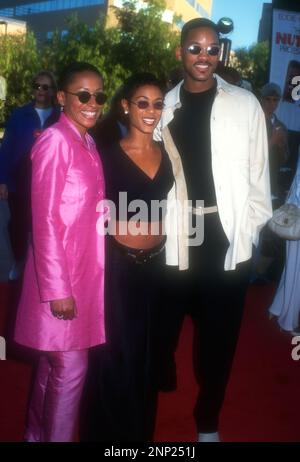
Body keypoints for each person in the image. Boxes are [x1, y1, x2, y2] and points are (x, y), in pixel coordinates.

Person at [155, 18, 272, 442]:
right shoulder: (162, 106)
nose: (203, 57)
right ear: (180, 52)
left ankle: (208, 421)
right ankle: (158, 382)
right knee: (161, 329)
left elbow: (260, 178)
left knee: (218, 343)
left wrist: (252, 231)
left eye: (211, 49)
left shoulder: (245, 104)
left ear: (220, 53)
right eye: (194, 48)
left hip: (226, 241)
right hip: (176, 240)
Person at [14, 62, 107, 442]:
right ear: (62, 97)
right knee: (71, 370)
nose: (92, 102)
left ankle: (35, 436)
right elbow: (44, 219)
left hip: (82, 275)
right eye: (83, 95)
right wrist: (58, 289)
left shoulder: (86, 140)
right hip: (60, 281)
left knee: (53, 369)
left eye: (99, 95)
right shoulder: (55, 140)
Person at [81, 73, 174, 442]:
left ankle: (138, 437)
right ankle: (104, 437)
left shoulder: (169, 152)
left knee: (149, 355)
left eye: (157, 103)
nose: (151, 111)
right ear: (125, 105)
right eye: (142, 103)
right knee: (115, 355)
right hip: (117, 267)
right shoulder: (105, 155)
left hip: (159, 269)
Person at [0, 71, 60, 279]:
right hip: (20, 180)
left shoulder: (60, 116)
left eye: (45, 87)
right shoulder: (19, 114)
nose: (40, 91)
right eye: (37, 86)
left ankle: (41, 266)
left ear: (53, 90)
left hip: (50, 183)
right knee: (17, 224)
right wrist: (3, 180)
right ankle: (18, 261)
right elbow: (6, 148)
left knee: (44, 226)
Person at [269, 146, 300, 336]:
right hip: (297, 211)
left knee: (293, 267)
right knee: (296, 271)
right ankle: (290, 321)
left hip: (295, 208)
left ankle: (279, 308)